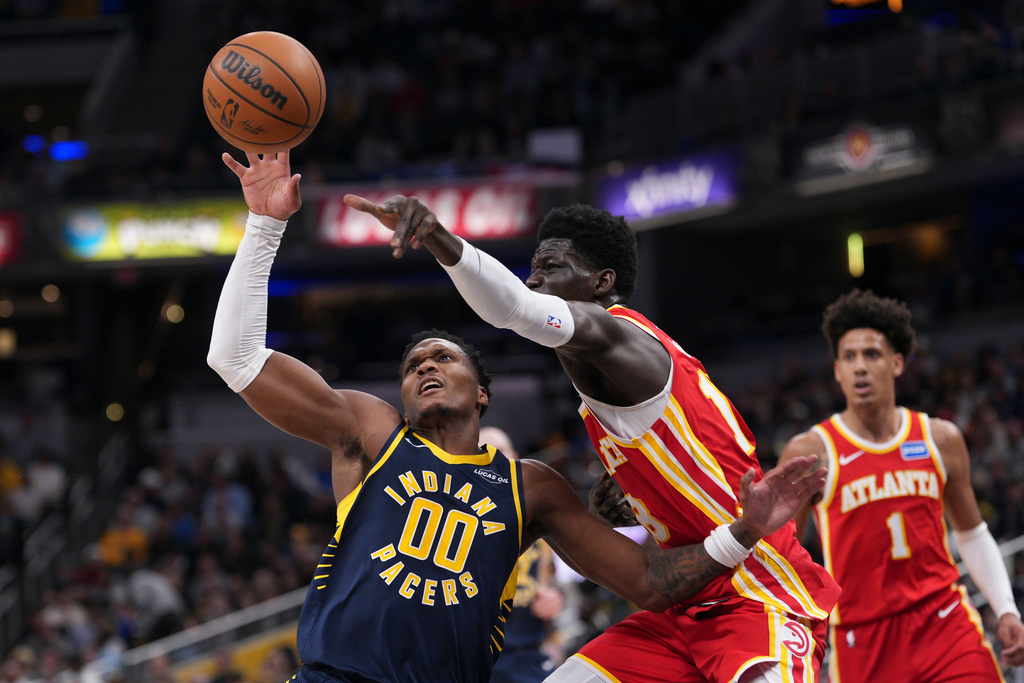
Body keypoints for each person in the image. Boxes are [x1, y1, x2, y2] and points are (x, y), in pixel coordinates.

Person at [207, 151, 827, 683]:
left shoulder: (546, 460)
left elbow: (645, 577)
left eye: (444, 356)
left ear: (483, 392)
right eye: (411, 364)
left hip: (756, 595)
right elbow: (234, 357)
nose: (424, 365)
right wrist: (263, 225)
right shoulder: (374, 435)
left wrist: (440, 239)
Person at [774, 289, 1024, 682]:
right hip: (862, 639)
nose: (860, 367)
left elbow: (973, 534)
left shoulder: (939, 438)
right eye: (848, 357)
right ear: (836, 370)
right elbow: (781, 557)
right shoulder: (810, 451)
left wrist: (1005, 607)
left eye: (871, 355)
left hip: (944, 623)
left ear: (897, 363)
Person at [479, 426, 565, 682]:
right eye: (483, 451)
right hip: (476, 658)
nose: (493, 458)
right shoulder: (455, 518)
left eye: (500, 451)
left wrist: (556, 597)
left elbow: (554, 582)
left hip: (530, 654)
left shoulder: (538, 515)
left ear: (515, 457)